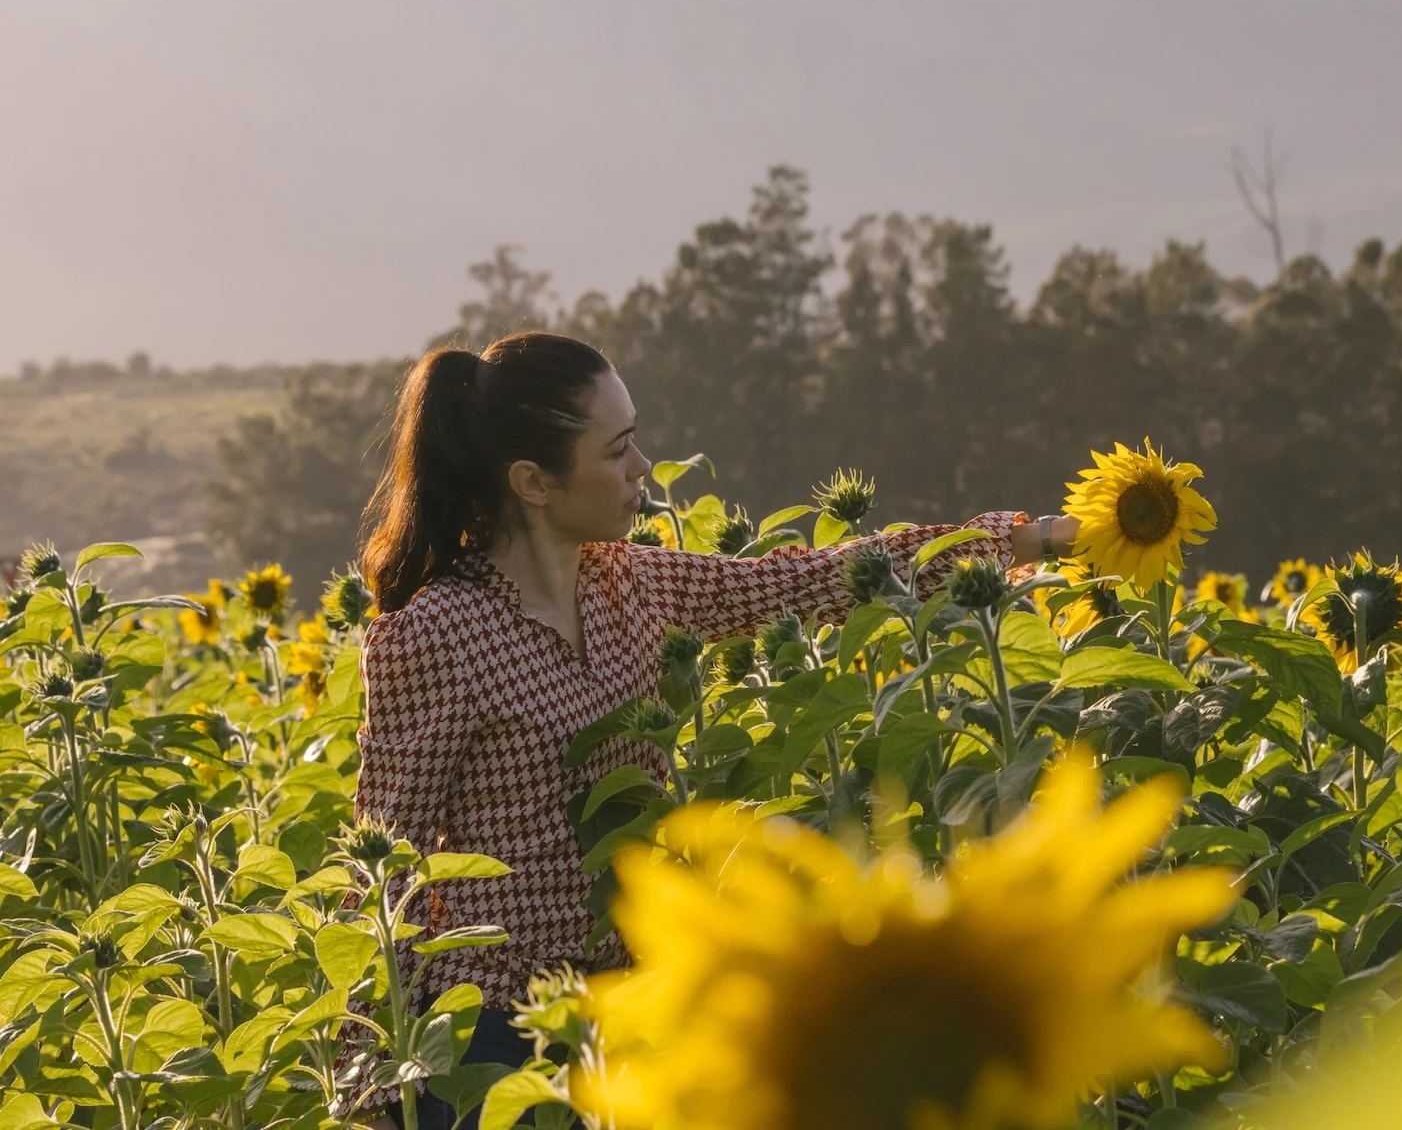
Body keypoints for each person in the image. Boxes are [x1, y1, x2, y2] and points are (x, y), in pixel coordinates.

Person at [351, 331, 1076, 1128]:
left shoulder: (633, 584)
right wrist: (380, 1079)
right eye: (617, 450)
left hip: (638, 1008)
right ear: (534, 482)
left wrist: (1025, 538)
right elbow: (387, 858)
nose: (642, 471)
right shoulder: (437, 635)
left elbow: (806, 579)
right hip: (496, 1033)